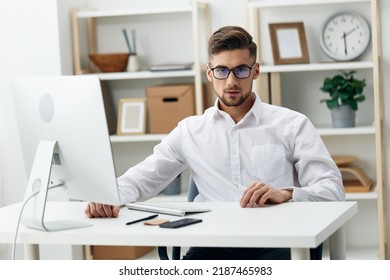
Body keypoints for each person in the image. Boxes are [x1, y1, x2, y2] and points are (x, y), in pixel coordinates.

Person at [85, 25, 345, 260]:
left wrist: (287, 194)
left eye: (241, 70)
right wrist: (107, 196)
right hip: (210, 246)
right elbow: (143, 178)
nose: (231, 81)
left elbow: (333, 190)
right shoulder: (190, 131)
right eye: (221, 70)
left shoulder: (293, 125)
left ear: (255, 71)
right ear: (209, 73)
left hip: (274, 243)